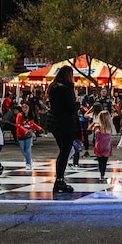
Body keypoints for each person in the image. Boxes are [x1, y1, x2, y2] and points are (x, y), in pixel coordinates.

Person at [47, 65, 77, 193]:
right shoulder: (66, 89)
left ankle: (59, 179)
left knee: (63, 152)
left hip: (55, 123)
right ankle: (59, 180)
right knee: (65, 152)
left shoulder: (53, 88)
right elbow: (71, 108)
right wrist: (77, 104)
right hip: (65, 124)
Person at [15, 101, 42, 168]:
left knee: (28, 149)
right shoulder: (19, 115)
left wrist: (39, 129)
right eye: (23, 107)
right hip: (21, 135)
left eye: (26, 107)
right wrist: (25, 131)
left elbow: (33, 124)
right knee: (23, 150)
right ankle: (29, 159)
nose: (24, 109)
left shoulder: (31, 116)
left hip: (29, 135)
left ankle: (28, 163)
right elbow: (19, 125)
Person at [92, 108, 114, 183]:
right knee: (104, 161)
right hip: (107, 145)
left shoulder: (97, 126)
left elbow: (93, 130)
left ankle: (101, 174)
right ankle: (103, 174)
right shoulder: (109, 127)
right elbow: (113, 132)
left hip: (99, 144)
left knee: (100, 161)